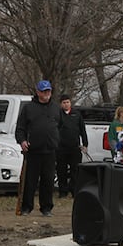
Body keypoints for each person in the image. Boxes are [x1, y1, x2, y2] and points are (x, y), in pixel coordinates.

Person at [15, 80, 62, 216]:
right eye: (43, 91)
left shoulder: (55, 108)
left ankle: (46, 208)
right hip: (33, 150)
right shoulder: (29, 108)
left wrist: (57, 141)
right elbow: (20, 129)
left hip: (50, 150)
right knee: (30, 181)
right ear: (38, 92)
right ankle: (26, 207)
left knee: (48, 180)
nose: (46, 94)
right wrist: (22, 141)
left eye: (48, 91)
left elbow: (60, 126)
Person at [55, 93, 88, 197]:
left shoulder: (77, 114)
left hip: (75, 147)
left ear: (70, 103)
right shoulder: (57, 115)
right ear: (61, 104)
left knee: (75, 170)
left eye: (67, 102)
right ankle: (62, 191)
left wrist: (85, 144)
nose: (66, 104)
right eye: (64, 103)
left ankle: (74, 190)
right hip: (61, 148)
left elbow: (82, 130)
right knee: (61, 171)